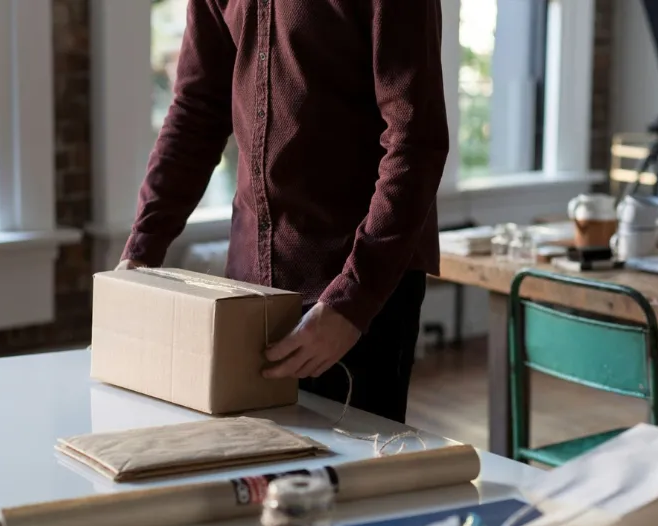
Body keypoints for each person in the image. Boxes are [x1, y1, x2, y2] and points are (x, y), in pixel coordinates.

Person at [117, 0, 449, 424]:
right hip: (248, 292)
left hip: (357, 296)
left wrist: (352, 302)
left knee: (349, 484)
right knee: (252, 479)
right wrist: (141, 252)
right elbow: (197, 110)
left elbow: (415, 142)